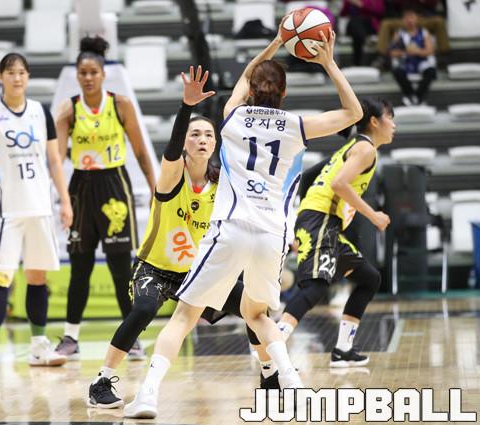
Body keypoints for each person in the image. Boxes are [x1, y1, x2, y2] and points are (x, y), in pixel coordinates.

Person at [124, 28, 363, 419]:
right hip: (271, 236)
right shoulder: (296, 125)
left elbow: (244, 79)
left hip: (231, 228)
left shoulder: (232, 117)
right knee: (258, 316)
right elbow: (354, 114)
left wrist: (276, 43)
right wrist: (329, 63)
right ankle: (294, 384)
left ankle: (148, 394)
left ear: (251, 89)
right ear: (284, 93)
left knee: (184, 316)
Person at [87, 66, 280, 409]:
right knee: (144, 308)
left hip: (199, 271)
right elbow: (172, 149)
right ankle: (101, 380)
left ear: (216, 143)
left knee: (253, 306)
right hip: (156, 267)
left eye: (208, 135)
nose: (202, 139)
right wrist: (186, 107)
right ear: (185, 144)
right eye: (195, 135)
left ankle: (269, 374)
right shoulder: (172, 176)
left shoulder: (224, 185)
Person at [0, 53, 73, 370]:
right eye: (10, 72)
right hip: (6, 210)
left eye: (21, 72)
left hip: (40, 207)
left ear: (28, 76)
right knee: (1, 276)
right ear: (0, 77)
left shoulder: (40, 112)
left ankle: (39, 347)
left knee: (37, 277)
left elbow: (54, 161)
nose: (16, 78)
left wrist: (65, 201)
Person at [53, 36, 156, 360]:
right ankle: (71, 337)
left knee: (120, 268)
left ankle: (131, 337)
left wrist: (156, 188)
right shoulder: (68, 108)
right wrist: (61, 198)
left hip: (114, 184)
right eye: (82, 73)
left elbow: (140, 151)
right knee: (79, 268)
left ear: (103, 74)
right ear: (77, 75)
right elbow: (56, 158)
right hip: (81, 187)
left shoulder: (120, 104)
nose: (88, 77)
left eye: (93, 72)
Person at [277, 97, 394, 368]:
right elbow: (339, 184)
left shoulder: (354, 146)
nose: (394, 124)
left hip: (321, 222)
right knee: (315, 286)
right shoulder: (365, 149)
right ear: (375, 121)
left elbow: (309, 177)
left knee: (369, 278)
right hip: (320, 221)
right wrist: (374, 215)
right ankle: (274, 347)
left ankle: (343, 349)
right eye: (390, 117)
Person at [388, 7, 437, 105]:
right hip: (405, 62)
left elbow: (430, 51)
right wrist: (405, 53)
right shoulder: (399, 33)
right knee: (397, 72)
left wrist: (417, 51)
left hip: (421, 61)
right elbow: (391, 52)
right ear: (403, 20)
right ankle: (411, 94)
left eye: (412, 17)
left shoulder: (424, 32)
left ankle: (417, 96)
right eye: (407, 18)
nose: (409, 20)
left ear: (417, 19)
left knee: (431, 72)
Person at [339, 0, 385, 66]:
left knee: (358, 32)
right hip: (354, 25)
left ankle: (357, 62)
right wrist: (348, 4)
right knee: (356, 25)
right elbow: (343, 14)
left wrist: (361, 4)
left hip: (369, 24)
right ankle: (362, 60)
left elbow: (380, 11)